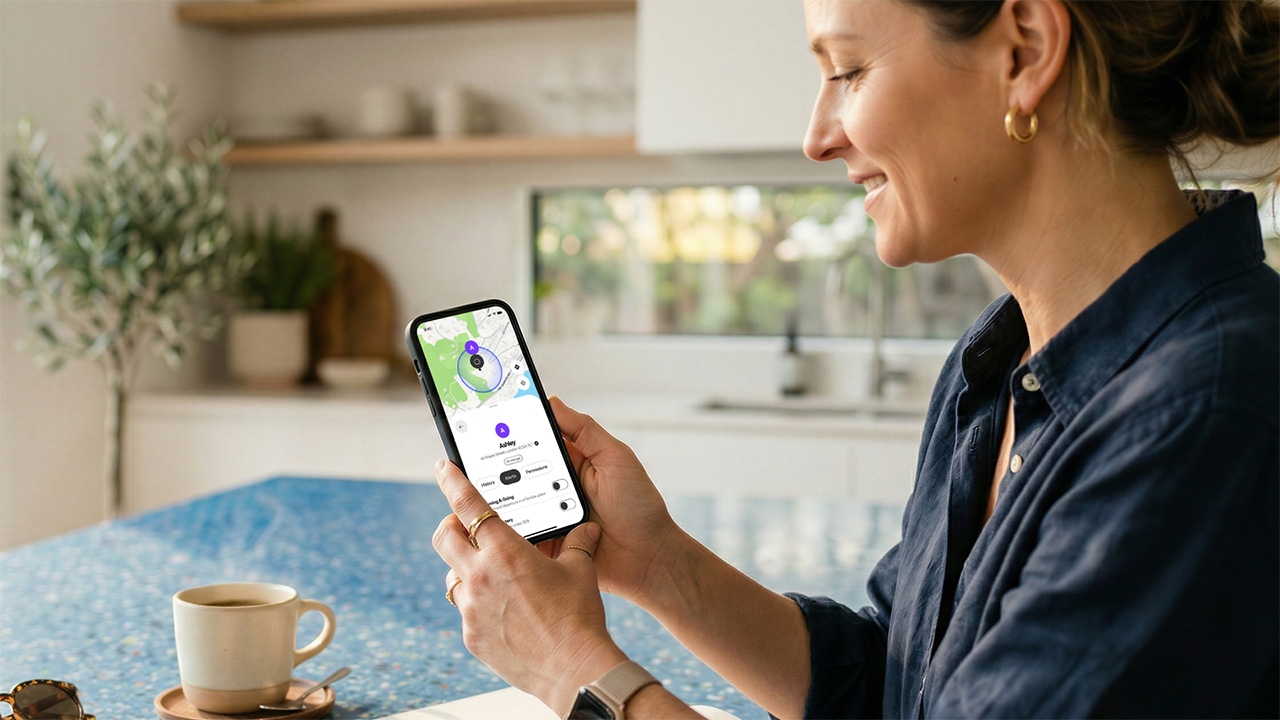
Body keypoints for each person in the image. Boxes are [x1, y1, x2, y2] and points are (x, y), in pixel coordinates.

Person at [429, 0, 1280, 717]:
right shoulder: (999, 364)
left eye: (847, 71)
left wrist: (575, 671)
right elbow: (902, 687)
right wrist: (658, 563)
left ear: (1024, 51)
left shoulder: (1206, 411)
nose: (817, 136)